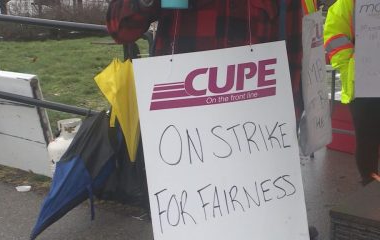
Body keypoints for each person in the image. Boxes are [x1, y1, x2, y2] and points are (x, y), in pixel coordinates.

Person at [105, 1, 319, 239]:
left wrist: (283, 133)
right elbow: (119, 27)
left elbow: (291, 57)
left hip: (253, 140)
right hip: (181, 145)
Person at [106, 0, 304, 120]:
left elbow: (291, 56)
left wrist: (287, 128)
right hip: (176, 132)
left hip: (252, 134)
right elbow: (120, 28)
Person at [324, 0, 380, 186]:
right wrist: (350, 65)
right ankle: (369, 186)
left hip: (365, 81)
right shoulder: (349, 3)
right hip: (364, 85)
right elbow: (333, 35)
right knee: (367, 141)